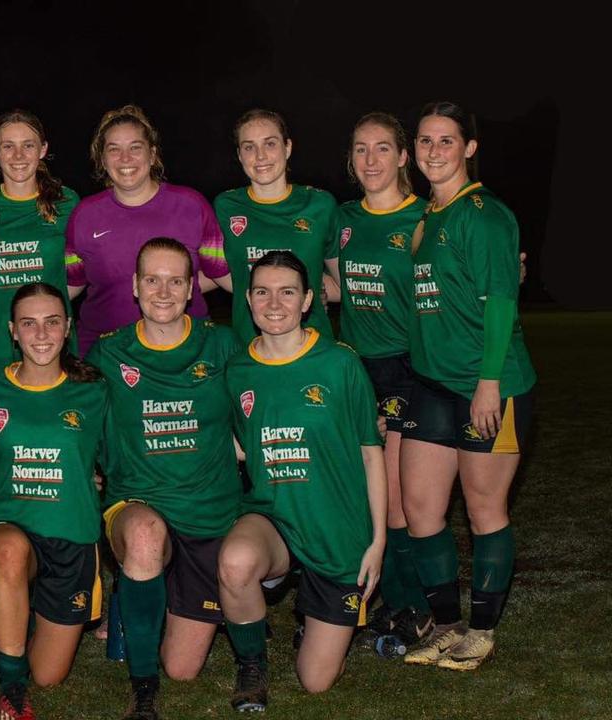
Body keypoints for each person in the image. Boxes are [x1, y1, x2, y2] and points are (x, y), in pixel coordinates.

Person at [399, 101, 536, 671]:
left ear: (469, 149)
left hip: (491, 386)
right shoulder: (428, 217)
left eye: (447, 141)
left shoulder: (485, 214)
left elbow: (501, 302)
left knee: (484, 509)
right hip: (431, 383)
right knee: (422, 510)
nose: (434, 151)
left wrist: (487, 384)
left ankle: (481, 632)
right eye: (426, 141)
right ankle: (445, 625)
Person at [219, 251, 386, 712]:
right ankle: (251, 664)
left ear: (308, 299)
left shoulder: (340, 364)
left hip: (337, 529)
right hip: (275, 518)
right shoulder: (238, 370)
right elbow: (239, 444)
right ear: (249, 301)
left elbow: (372, 456)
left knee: (315, 682)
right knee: (234, 563)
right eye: (262, 292)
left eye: (287, 291)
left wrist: (377, 542)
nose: (275, 303)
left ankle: (314, 617)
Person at [86, 238, 241, 719]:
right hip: (139, 504)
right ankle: (143, 689)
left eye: (176, 280)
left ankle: (139, 592)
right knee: (146, 536)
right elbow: (69, 418)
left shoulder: (221, 344)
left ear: (193, 286)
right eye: (152, 279)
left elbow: (268, 402)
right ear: (135, 286)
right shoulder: (108, 354)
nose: (164, 291)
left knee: (184, 668)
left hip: (207, 515)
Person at [0, 282, 109, 719]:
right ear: (12, 331)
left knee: (49, 674)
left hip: (72, 538)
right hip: (10, 530)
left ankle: (18, 616)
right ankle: (12, 689)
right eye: (29, 324)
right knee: (10, 550)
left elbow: (121, 462)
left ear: (68, 327)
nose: (42, 334)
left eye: (52, 322)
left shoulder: (94, 391)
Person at [335, 112, 433, 644]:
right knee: (361, 491)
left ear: (402, 157)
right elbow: (335, 285)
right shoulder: (343, 220)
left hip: (405, 366)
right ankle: (387, 601)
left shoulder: (424, 217)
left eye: (381, 149)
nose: (370, 160)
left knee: (394, 496)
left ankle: (413, 605)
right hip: (354, 366)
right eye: (359, 149)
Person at [65, 104, 230, 354]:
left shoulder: (191, 205)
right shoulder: (84, 215)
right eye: (114, 150)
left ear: (152, 155)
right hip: (105, 354)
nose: (125, 159)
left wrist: (295, 286)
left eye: (135, 148)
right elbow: (70, 283)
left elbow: (220, 273)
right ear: (102, 158)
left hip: (187, 352)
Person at [0, 109, 79, 374]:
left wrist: (57, 294)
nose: (18, 156)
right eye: (8, 146)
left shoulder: (67, 202)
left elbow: (80, 273)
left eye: (28, 145)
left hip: (51, 347)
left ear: (43, 149)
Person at [214, 109, 341, 343]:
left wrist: (313, 288)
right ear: (240, 155)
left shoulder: (320, 205)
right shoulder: (225, 206)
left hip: (312, 345)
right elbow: (216, 271)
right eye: (249, 147)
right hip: (249, 345)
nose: (260, 156)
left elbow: (342, 284)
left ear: (288, 147)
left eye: (270, 144)